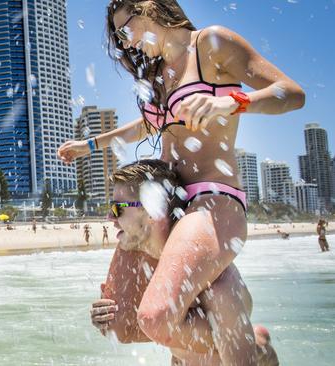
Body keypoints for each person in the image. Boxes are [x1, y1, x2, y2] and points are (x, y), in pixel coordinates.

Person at [58, 1, 304, 363]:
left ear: (149, 8)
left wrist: (232, 103)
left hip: (211, 200)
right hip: (165, 206)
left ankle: (252, 348)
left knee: (155, 317)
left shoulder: (211, 44)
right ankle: (234, 337)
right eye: (119, 38)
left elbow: (292, 93)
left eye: (126, 31)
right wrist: (90, 145)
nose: (126, 45)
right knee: (124, 322)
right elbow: (148, 124)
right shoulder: (159, 73)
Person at [89, 160, 278, 365]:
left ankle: (259, 344)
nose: (109, 217)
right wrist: (104, 317)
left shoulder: (217, 284)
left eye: (117, 209)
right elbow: (138, 332)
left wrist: (257, 347)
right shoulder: (146, 261)